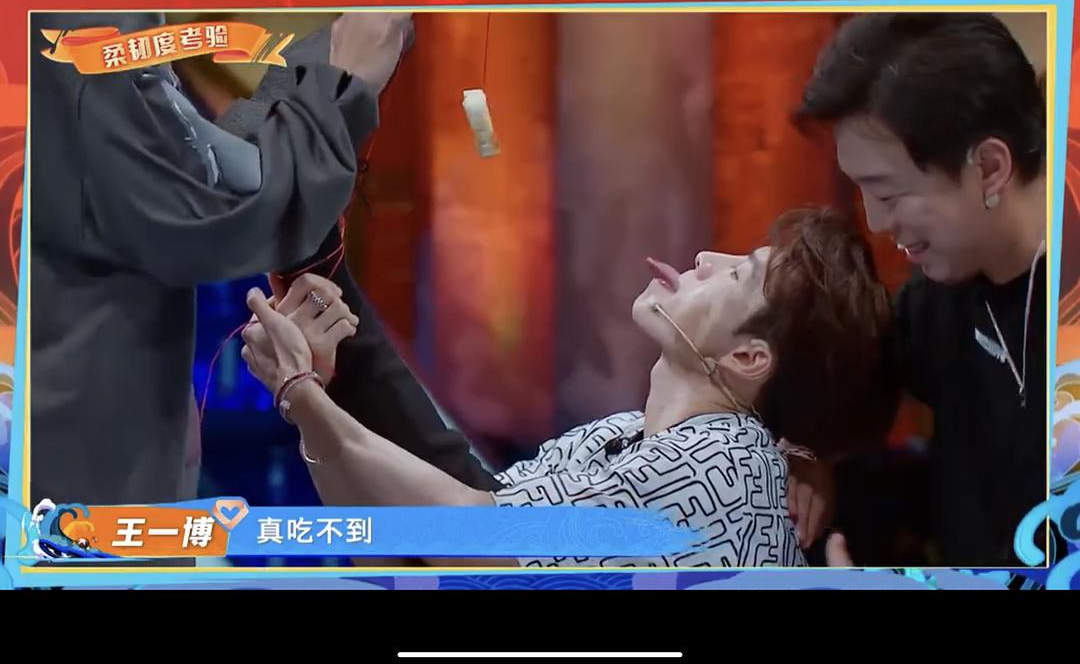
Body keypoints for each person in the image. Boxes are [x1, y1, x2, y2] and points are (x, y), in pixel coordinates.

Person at [241, 208, 898, 567]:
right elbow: (411, 539)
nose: (706, 259)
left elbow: (477, 538)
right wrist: (310, 397)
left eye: (736, 275)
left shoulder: (725, 459)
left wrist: (303, 392)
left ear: (749, 357)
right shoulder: (616, 436)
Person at [28, 11, 411, 508]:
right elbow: (207, 209)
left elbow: (200, 163)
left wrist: (332, 64)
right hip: (72, 491)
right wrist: (339, 85)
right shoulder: (81, 17)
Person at [792, 13, 1049, 567]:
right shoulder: (937, 300)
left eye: (889, 193)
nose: (875, 222)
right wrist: (809, 457)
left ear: (989, 167)